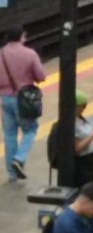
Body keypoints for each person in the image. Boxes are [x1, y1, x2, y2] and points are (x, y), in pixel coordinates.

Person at [1, 26, 46, 181]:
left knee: (9, 135)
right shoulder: (30, 54)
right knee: (30, 129)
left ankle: (12, 174)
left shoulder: (0, 54)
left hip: (5, 99)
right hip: (24, 99)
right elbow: (41, 76)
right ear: (21, 37)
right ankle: (19, 158)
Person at [71, 91, 93, 188]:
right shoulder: (71, 123)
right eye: (82, 106)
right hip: (82, 164)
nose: (83, 109)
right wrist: (92, 135)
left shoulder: (79, 119)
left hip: (90, 161)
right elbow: (77, 148)